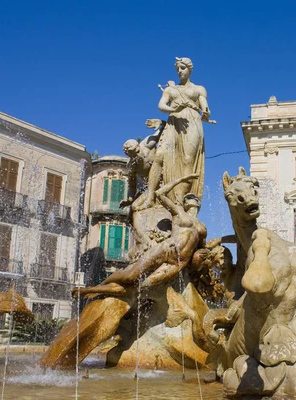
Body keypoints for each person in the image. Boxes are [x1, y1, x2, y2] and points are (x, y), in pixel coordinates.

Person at [75, 174, 207, 298]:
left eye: (191, 198)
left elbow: (202, 248)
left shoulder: (202, 227)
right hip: (165, 250)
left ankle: (95, 291)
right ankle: (97, 287)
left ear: (198, 204)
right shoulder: (178, 212)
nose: (188, 200)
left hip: (178, 263)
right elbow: (159, 193)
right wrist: (182, 179)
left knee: (141, 287)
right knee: (130, 277)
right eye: (186, 198)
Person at [144, 57, 210, 208]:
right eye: (178, 69)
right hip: (174, 123)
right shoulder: (170, 90)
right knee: (160, 156)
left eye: (183, 68)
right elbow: (161, 105)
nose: (180, 71)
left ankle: (181, 200)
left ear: (189, 69)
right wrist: (173, 109)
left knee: (188, 160)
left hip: (192, 122)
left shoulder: (199, 89)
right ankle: (150, 196)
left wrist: (206, 112)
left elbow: (205, 106)